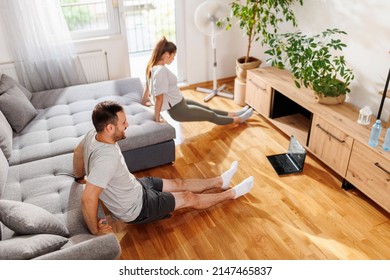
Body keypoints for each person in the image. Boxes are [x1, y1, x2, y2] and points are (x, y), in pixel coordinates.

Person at [73, 101, 254, 235]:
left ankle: (220, 181)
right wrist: (95, 230)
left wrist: (79, 177)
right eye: (123, 123)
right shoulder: (106, 159)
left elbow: (78, 152)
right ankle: (233, 193)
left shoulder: (92, 135)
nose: (127, 125)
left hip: (135, 187)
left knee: (178, 182)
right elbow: (88, 198)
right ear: (110, 128)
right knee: (188, 197)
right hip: (137, 207)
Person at [142, 36, 254, 124]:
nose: (173, 58)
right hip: (178, 110)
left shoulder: (151, 66)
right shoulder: (161, 71)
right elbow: (158, 98)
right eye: (173, 56)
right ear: (166, 55)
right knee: (210, 116)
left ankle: (235, 114)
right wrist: (157, 118)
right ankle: (239, 120)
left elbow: (148, 88)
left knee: (207, 108)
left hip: (180, 102)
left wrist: (143, 102)